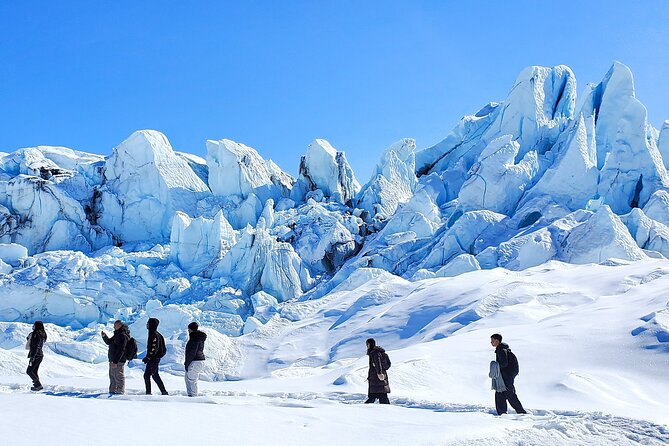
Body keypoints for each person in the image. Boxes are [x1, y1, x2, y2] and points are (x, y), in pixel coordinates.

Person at [490, 333, 527, 415]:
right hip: (506, 376)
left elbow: (503, 363)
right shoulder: (503, 349)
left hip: (505, 376)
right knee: (501, 394)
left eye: (492, 340)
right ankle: (502, 413)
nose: (491, 342)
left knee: (509, 394)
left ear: (497, 340)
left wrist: (495, 366)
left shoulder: (501, 350)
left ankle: (521, 413)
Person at [101, 320, 130, 395]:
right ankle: (112, 391)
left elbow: (121, 349)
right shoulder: (117, 334)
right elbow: (109, 342)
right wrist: (105, 336)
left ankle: (120, 392)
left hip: (118, 360)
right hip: (113, 360)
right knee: (112, 376)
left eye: (115, 325)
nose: (114, 327)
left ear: (120, 325)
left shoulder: (122, 335)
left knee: (118, 376)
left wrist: (116, 361)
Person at [142, 317, 168, 395]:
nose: (147, 325)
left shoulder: (154, 334)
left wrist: (148, 357)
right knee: (148, 375)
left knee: (154, 375)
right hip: (154, 358)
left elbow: (153, 348)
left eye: (148, 323)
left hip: (153, 359)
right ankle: (149, 392)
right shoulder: (156, 334)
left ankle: (163, 392)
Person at [364, 338, 390, 404]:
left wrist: (379, 372)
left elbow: (377, 363)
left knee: (374, 396)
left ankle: (362, 409)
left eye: (367, 344)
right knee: (383, 396)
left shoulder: (374, 352)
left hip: (376, 378)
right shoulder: (381, 352)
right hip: (381, 378)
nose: (367, 346)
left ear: (369, 344)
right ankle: (389, 411)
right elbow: (388, 364)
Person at [184, 322, 206, 397]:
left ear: (190, 329)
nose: (188, 331)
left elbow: (192, 352)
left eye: (189, 329)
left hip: (195, 361)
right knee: (188, 379)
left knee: (192, 380)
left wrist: (187, 363)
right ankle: (191, 396)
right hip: (199, 361)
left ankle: (193, 398)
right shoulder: (198, 338)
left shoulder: (194, 339)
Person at [26, 321, 47, 391]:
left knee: (29, 371)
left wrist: (32, 357)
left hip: (36, 355)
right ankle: (37, 386)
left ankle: (38, 385)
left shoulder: (36, 334)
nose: (33, 326)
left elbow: (35, 346)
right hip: (39, 355)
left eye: (34, 325)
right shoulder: (42, 334)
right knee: (34, 371)